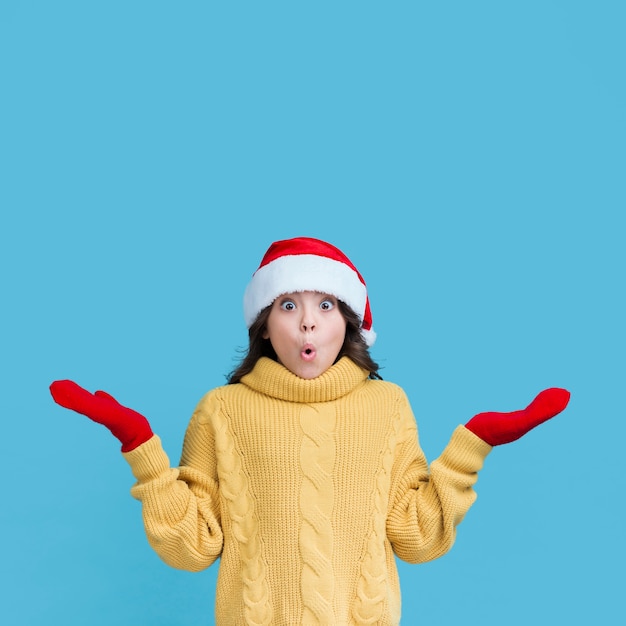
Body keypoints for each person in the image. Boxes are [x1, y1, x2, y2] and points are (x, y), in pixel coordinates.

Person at [50, 236, 570, 626]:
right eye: (288, 305)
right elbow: (193, 550)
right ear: (264, 324)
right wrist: (142, 449)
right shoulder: (222, 411)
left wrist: (470, 449)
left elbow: (417, 538)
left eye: (325, 305)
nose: (307, 323)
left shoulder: (387, 405)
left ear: (348, 321)